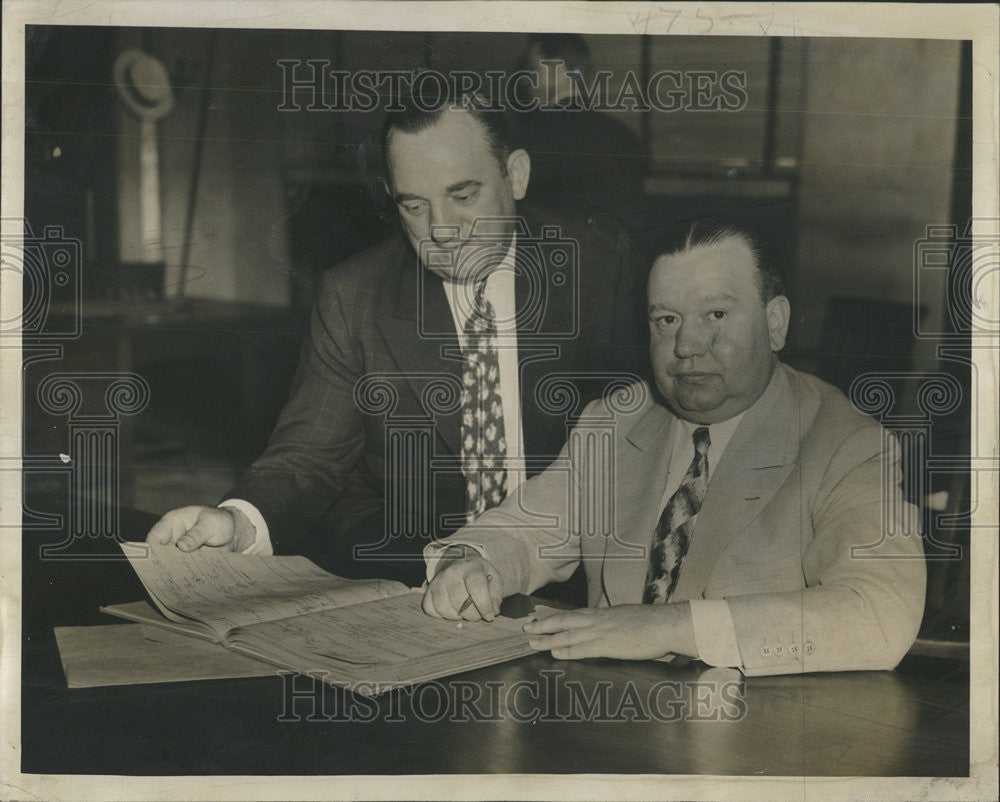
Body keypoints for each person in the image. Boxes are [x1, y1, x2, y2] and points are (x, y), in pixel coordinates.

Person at [145, 92, 645, 587]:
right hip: (419, 575)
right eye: (414, 205)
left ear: (515, 174)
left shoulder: (599, 264)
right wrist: (238, 522)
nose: (442, 230)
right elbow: (308, 457)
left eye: (463, 195)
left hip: (573, 580)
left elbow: (646, 435)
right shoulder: (355, 294)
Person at [422, 221, 926, 675]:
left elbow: (881, 613)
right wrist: (473, 561)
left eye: (715, 314)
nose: (686, 345)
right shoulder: (616, 421)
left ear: (775, 323)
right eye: (666, 320)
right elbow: (529, 528)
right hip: (606, 723)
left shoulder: (847, 443)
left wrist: (666, 626)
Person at [512, 34, 645, 224]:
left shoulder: (530, 139)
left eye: (533, 71)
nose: (527, 82)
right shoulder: (624, 136)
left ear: (557, 70)